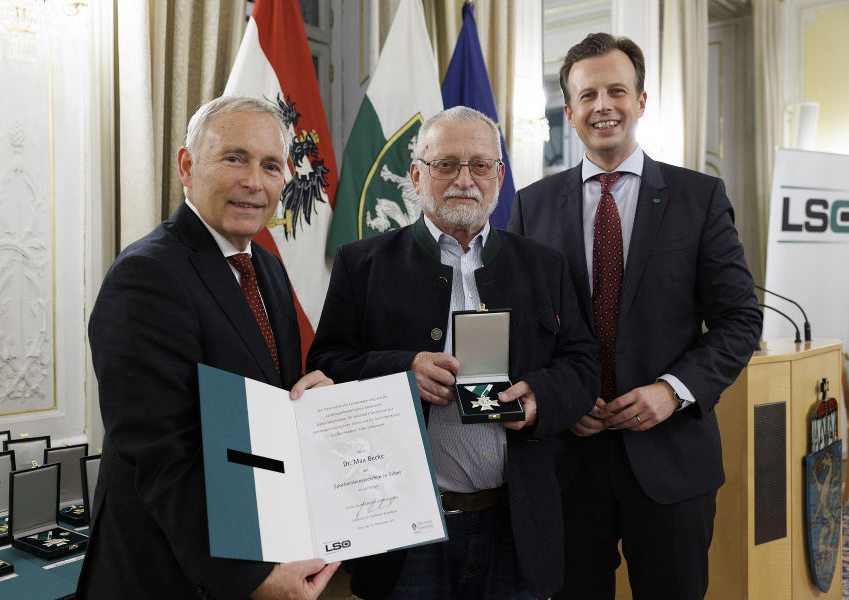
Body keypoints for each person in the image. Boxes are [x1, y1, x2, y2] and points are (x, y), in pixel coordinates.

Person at [508, 33, 763, 599]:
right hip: (566, 462)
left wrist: (673, 391)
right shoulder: (531, 205)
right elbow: (520, 328)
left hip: (671, 458)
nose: (604, 105)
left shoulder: (699, 198)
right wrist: (558, 400)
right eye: (589, 94)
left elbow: (740, 319)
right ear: (569, 111)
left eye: (617, 91)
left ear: (641, 101)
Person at [307, 106, 599, 600]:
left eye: (481, 166)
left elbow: (583, 363)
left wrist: (539, 398)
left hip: (518, 525)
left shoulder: (544, 266)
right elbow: (325, 366)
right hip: (405, 529)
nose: (465, 179)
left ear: (499, 177)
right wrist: (402, 369)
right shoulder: (363, 264)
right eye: (446, 164)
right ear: (417, 173)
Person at [77, 96, 339, 600]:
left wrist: (308, 403)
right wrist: (250, 577)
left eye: (270, 165)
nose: (254, 182)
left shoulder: (265, 267)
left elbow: (264, 407)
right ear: (187, 165)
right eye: (234, 158)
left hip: (258, 541)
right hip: (167, 574)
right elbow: (161, 455)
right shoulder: (147, 275)